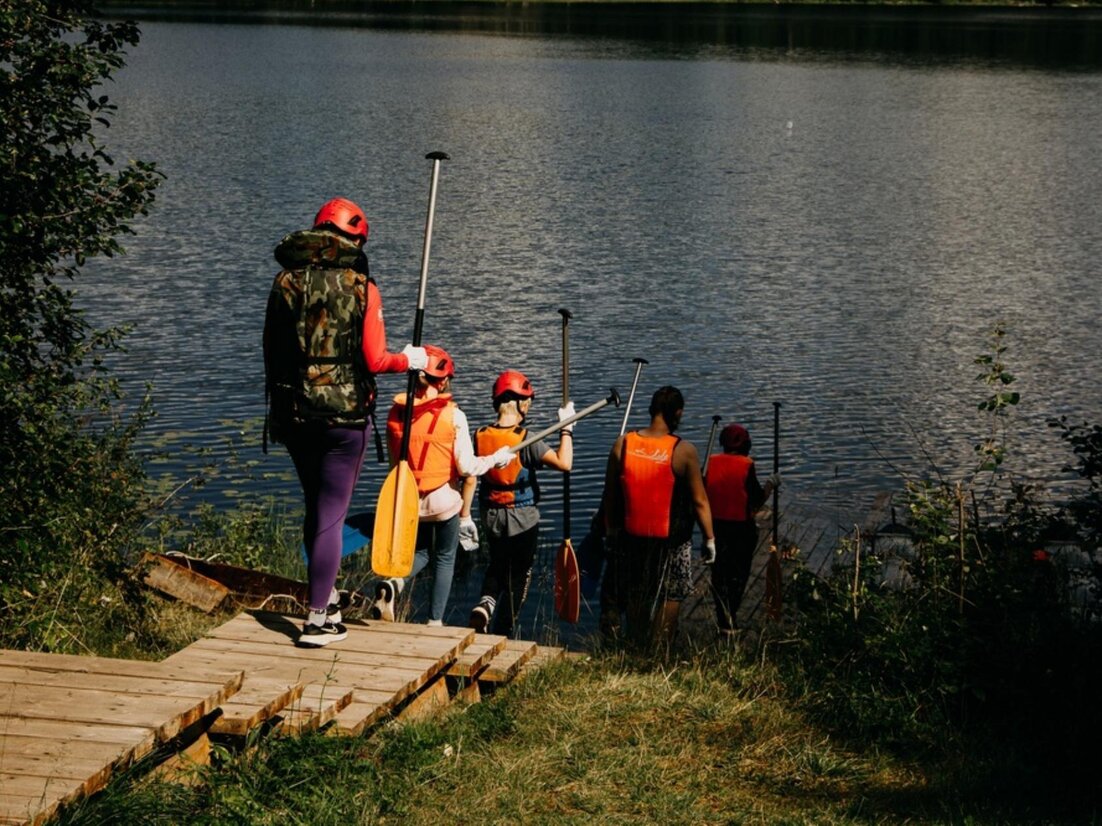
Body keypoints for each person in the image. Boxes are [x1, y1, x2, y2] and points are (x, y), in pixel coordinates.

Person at [263, 197, 428, 647]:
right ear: (354, 240)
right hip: (345, 416)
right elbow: (374, 360)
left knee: (316, 505)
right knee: (332, 514)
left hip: (294, 413)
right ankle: (318, 621)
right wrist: (408, 359)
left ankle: (327, 597)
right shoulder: (362, 288)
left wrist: (277, 411)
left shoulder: (284, 283)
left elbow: (273, 355)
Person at [371, 346, 513, 626]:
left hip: (409, 499)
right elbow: (467, 468)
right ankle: (435, 622)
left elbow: (393, 466)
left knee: (421, 552)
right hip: (443, 502)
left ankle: (394, 583)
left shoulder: (395, 414)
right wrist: (497, 459)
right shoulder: (454, 416)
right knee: (445, 557)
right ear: (444, 380)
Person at [600, 385, 715, 646]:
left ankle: (637, 644)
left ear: (652, 410)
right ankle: (659, 650)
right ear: (677, 413)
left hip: (632, 539)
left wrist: (611, 530)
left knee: (637, 591)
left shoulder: (623, 444)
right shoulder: (683, 451)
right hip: (672, 543)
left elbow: (610, 495)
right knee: (671, 594)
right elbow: (699, 501)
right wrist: (709, 539)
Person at [465, 370, 576, 637]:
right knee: (519, 576)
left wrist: (464, 515)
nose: (529, 406)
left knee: (497, 564)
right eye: (528, 400)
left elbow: (469, 476)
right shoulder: (527, 439)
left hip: (489, 514)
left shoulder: (479, 435)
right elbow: (565, 463)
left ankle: (485, 605)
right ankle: (503, 630)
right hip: (522, 517)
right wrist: (566, 430)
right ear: (519, 403)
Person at [704, 423, 779, 635]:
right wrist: (770, 485)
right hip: (741, 530)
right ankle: (731, 618)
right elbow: (756, 500)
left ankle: (722, 618)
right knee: (738, 574)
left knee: (719, 575)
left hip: (715, 528)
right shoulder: (746, 465)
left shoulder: (710, 463)